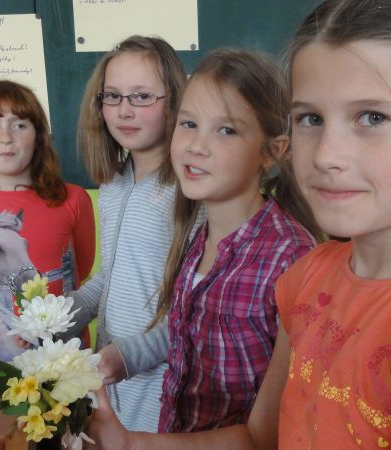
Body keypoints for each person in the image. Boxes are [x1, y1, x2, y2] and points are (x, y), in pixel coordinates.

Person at [87, 1, 391, 449]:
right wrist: (130, 444)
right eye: (310, 119)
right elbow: (259, 438)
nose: (327, 154)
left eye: (372, 118)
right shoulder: (310, 276)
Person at [153, 48, 321, 433]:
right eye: (189, 124)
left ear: (273, 152)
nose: (196, 146)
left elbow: (277, 427)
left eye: (226, 130)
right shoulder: (197, 238)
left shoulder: (291, 258)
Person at [66, 34, 187, 433]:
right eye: (113, 96)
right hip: (113, 384)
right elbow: (113, 273)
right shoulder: (113, 184)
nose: (124, 111)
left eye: (142, 96)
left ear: (174, 101)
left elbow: (198, 310)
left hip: (161, 389)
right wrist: (64, 313)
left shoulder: (191, 190)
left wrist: (131, 354)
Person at [0, 80, 95, 362]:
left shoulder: (74, 199)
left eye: (19, 125)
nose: (5, 137)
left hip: (64, 358)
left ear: (39, 136)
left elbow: (81, 269)